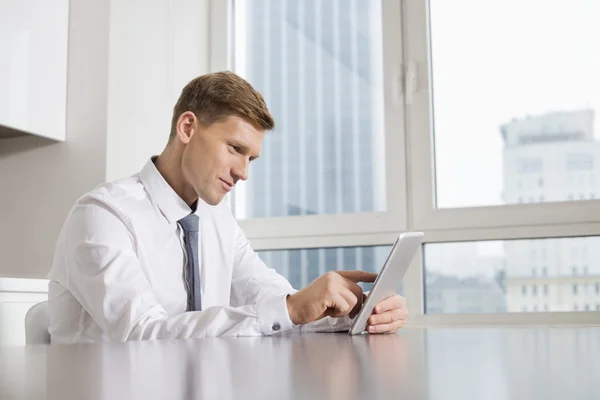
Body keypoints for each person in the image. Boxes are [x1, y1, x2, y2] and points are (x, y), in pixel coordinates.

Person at [47, 71, 409, 343]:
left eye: (251, 158)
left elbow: (269, 298)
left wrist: (352, 313)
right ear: (188, 127)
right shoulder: (103, 216)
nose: (243, 173)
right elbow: (144, 336)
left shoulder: (214, 217)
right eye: (235, 149)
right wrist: (293, 308)